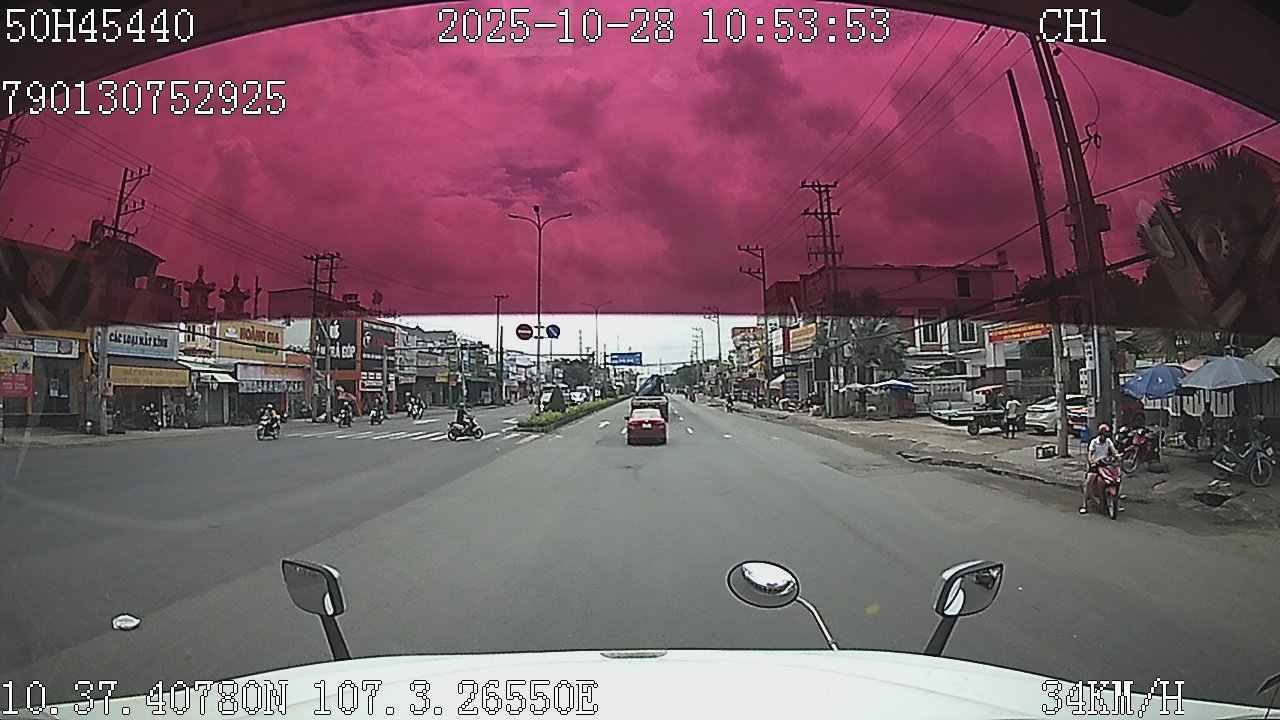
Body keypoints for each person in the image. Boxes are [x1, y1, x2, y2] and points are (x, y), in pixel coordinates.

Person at [1082, 423, 1119, 514]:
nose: (1105, 437)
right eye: (1103, 435)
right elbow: (1090, 454)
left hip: (1105, 464)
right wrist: (1091, 462)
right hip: (1096, 464)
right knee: (1089, 482)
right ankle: (1084, 505)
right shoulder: (1094, 442)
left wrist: (1117, 456)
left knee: (1116, 478)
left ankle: (1115, 501)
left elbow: (1114, 451)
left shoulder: (1108, 441)